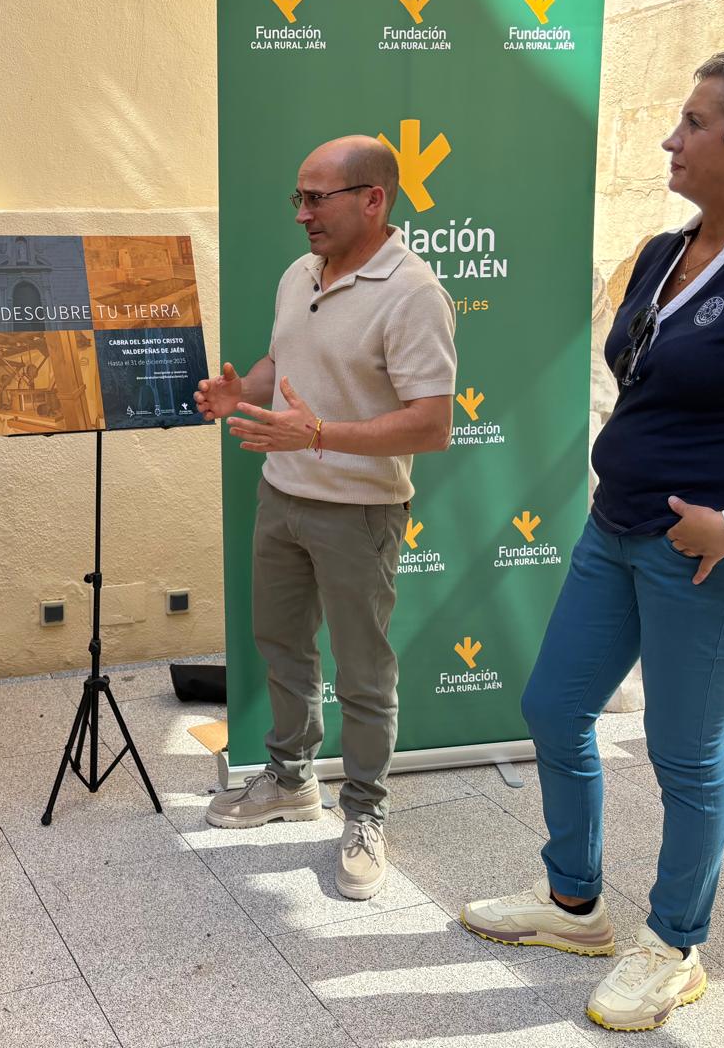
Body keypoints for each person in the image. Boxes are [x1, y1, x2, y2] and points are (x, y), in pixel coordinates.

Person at [460, 37, 724, 1033]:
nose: (668, 139)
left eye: (692, 123)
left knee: (682, 755)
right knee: (554, 708)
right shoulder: (659, 252)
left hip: (711, 561)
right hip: (615, 531)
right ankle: (572, 906)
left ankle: (675, 947)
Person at [195, 135, 456, 900]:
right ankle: (288, 780)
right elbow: (286, 367)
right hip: (282, 497)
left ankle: (366, 814)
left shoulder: (413, 293)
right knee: (281, 645)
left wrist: (317, 435)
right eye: (298, 198)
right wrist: (242, 394)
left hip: (361, 512)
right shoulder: (298, 274)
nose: (302, 214)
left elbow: (432, 425)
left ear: (373, 200)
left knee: (363, 673)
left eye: (317, 199)